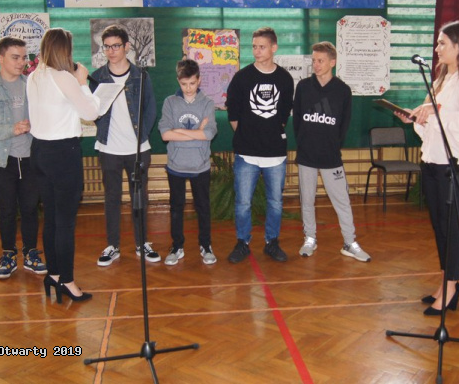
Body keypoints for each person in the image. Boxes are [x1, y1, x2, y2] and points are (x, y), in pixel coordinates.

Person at [395, 20, 459, 316]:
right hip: (432, 162)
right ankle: (447, 283)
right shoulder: (440, 81)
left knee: (450, 228)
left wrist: (438, 112)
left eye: (442, 43)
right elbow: (431, 131)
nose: (437, 48)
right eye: (437, 43)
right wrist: (417, 120)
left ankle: (451, 286)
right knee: (439, 227)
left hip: (454, 165)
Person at [27, 28, 100, 303]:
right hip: (62, 153)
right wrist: (82, 83)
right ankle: (67, 281)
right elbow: (91, 112)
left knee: (52, 218)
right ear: (64, 50)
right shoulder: (64, 78)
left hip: (40, 151)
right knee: (65, 222)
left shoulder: (34, 76)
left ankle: (54, 274)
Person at [0, 36, 45, 279]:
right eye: (15, 57)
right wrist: (11, 129)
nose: (21, 62)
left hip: (30, 158)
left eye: (24, 57)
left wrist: (36, 125)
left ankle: (31, 253)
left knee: (30, 209)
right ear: (0, 58)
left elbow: (46, 118)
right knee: (6, 210)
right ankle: (8, 254)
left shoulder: (32, 86)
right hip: (1, 161)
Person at [293, 42, 371, 263]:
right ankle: (310, 238)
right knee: (307, 200)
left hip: (331, 156)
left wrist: (332, 145)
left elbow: (344, 124)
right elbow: (297, 120)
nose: (316, 65)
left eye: (321, 61)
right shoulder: (303, 87)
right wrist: (304, 143)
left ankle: (349, 242)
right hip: (307, 155)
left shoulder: (342, 90)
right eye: (314, 60)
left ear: (332, 62)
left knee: (342, 201)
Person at [89, 25, 160, 266]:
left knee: (139, 198)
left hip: (138, 149)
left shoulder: (141, 76)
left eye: (116, 46)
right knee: (112, 198)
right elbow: (93, 111)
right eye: (107, 47)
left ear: (127, 46)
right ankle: (113, 246)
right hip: (109, 149)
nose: (111, 51)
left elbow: (151, 109)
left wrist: (141, 137)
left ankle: (142, 243)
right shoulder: (97, 77)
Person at [225, 27, 294, 263]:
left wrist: (269, 133)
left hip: (275, 154)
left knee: (275, 202)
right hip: (246, 153)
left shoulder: (285, 79)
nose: (256, 51)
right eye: (254, 46)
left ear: (274, 48)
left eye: (262, 47)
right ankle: (242, 242)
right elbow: (233, 114)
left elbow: (283, 114)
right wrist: (248, 135)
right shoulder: (242, 77)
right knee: (243, 202)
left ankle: (272, 242)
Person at [158, 59, 218, 265]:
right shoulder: (170, 102)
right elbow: (165, 135)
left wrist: (179, 131)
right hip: (176, 165)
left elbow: (208, 134)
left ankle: (206, 245)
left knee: (203, 207)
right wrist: (196, 132)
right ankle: (177, 246)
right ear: (178, 81)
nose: (188, 88)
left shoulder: (207, 103)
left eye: (192, 83)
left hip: (200, 166)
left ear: (199, 80)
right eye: (184, 84)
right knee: (176, 208)